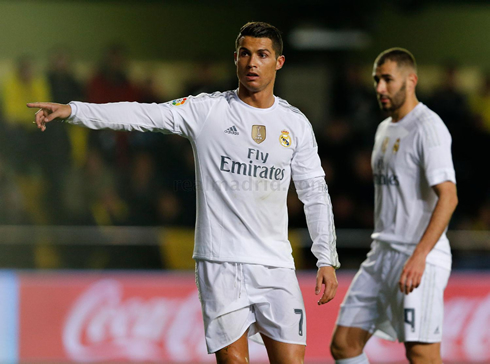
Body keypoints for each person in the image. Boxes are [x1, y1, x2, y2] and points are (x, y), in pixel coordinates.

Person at [28, 22, 340, 364]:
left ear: (278, 62)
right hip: (221, 262)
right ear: (235, 59)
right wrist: (74, 111)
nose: (253, 62)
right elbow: (142, 114)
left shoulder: (295, 124)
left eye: (262, 55)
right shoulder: (208, 110)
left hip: (276, 264)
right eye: (246, 54)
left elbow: (315, 192)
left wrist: (326, 256)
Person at [330, 48, 458, 364]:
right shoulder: (384, 129)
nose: (379, 88)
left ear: (411, 80)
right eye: (376, 80)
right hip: (382, 254)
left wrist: (419, 256)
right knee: (344, 344)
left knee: (421, 353)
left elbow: (449, 196)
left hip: (418, 257)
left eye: (387, 79)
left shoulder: (428, 127)